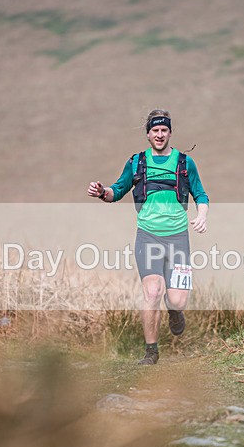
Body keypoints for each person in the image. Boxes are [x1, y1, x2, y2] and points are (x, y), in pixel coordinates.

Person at [87, 109, 209, 365]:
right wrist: (101, 192)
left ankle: (174, 311)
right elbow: (117, 191)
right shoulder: (137, 162)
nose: (160, 134)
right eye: (155, 130)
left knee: (177, 298)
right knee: (152, 292)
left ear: (170, 133)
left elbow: (200, 194)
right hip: (148, 237)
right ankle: (151, 352)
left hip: (178, 238)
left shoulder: (185, 163)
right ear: (148, 134)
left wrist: (202, 215)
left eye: (164, 130)